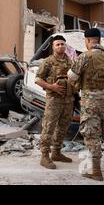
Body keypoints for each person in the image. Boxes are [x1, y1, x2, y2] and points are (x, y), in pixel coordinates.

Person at [68, 28, 104, 181]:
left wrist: (78, 86)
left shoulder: (85, 56)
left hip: (90, 102)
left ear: (88, 41)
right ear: (99, 39)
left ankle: (96, 171)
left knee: (92, 134)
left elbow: (71, 76)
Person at [35, 35, 75, 169]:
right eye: (58, 44)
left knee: (63, 127)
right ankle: (44, 156)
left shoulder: (70, 62)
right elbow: (38, 79)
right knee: (49, 127)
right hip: (54, 100)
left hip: (68, 100)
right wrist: (51, 87)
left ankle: (56, 152)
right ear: (53, 46)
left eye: (63, 44)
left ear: (66, 46)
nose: (60, 46)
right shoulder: (48, 62)